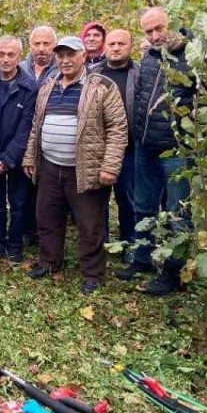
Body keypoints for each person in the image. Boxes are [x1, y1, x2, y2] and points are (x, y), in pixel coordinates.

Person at [22, 36, 127, 295]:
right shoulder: (48, 85)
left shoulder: (102, 86)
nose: (65, 60)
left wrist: (110, 166)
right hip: (50, 165)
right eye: (61, 55)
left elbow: (117, 128)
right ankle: (49, 261)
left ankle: (92, 273)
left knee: (89, 224)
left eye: (71, 55)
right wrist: (29, 157)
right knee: (47, 217)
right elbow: (37, 124)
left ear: (84, 56)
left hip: (86, 167)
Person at [128, 7, 198, 296]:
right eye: (149, 31)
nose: (155, 36)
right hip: (145, 145)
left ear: (174, 25)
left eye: (160, 28)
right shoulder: (149, 58)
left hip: (177, 150)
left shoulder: (191, 57)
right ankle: (143, 258)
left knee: (177, 213)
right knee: (143, 205)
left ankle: (172, 273)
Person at [0, 35, 38, 263]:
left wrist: (9, 158)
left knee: (19, 203)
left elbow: (27, 126)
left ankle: (15, 245)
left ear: (19, 57)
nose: (5, 59)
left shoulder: (30, 86)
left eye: (11, 54)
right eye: (1, 54)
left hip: (17, 157)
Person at [93, 28, 139, 251]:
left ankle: (128, 245)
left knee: (127, 199)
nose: (116, 48)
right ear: (105, 47)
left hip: (130, 150)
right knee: (96, 201)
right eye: (111, 44)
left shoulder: (139, 74)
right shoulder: (92, 75)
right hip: (97, 149)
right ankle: (100, 244)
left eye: (121, 44)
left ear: (131, 46)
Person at [18, 25, 57, 251]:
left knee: (47, 191)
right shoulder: (20, 68)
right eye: (36, 44)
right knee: (24, 189)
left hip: (49, 138)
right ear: (30, 45)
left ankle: (47, 234)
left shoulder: (61, 68)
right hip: (22, 137)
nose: (41, 49)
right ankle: (26, 231)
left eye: (46, 43)